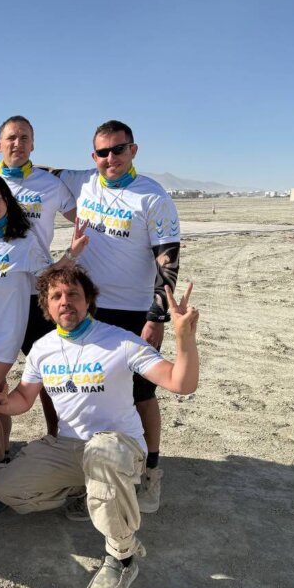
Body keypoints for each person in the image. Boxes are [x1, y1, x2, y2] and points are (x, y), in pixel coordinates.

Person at [0, 265, 199, 588]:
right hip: (70, 447)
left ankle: (122, 557)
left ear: (88, 301)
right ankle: (90, 490)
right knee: (4, 487)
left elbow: (181, 382)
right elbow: (24, 398)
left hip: (119, 446)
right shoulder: (42, 348)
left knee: (101, 452)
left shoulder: (120, 341)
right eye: (56, 296)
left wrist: (184, 338)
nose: (65, 301)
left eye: (73, 294)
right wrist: (4, 404)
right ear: (47, 307)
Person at [49, 120, 181, 513]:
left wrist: (156, 317)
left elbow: (168, 262)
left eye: (118, 149)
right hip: (86, 310)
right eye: (103, 152)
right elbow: (38, 170)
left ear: (133, 150)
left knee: (141, 393)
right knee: (86, 389)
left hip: (133, 312)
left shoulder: (153, 197)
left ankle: (151, 471)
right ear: (94, 156)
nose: (111, 158)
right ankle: (86, 472)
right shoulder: (83, 181)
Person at [0, 172, 86, 513]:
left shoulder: (22, 239)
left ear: (7, 202)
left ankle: (0, 469)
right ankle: (3, 458)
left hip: (3, 334)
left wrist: (72, 253)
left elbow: (49, 276)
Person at [0, 116, 78, 442]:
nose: (17, 144)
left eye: (24, 138)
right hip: (0, 296)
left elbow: (82, 218)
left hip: (39, 291)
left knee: (50, 373)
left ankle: (56, 437)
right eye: (11, 138)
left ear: (33, 144)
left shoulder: (50, 184)